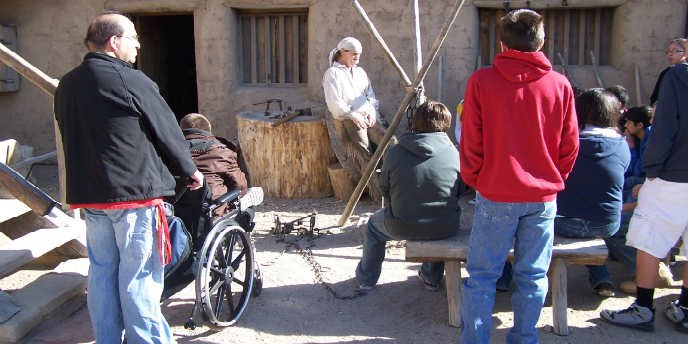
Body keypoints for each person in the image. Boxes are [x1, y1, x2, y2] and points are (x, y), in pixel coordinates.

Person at [54, 12, 203, 343]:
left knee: (103, 274)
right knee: (138, 277)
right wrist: (189, 170)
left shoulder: (67, 84)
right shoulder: (131, 80)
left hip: (91, 197)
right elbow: (167, 130)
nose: (138, 45)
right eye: (134, 38)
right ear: (114, 42)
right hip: (134, 198)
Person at [458, 9, 579, 343]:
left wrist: (477, 179)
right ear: (541, 41)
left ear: (501, 43)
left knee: (482, 276)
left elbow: (470, 141)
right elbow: (570, 145)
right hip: (542, 198)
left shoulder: (481, 81)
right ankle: (525, 339)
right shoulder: (560, 85)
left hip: (496, 192)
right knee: (533, 275)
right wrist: (553, 179)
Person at [601, 58, 688, 334]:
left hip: (675, 173)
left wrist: (652, 168)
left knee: (648, 235)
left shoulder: (679, 77)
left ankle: (643, 307)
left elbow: (664, 126)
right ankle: (685, 308)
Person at [355, 100, 462, 292]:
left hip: (402, 223)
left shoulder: (395, 152)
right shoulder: (454, 154)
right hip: (445, 225)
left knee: (373, 227)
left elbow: (384, 188)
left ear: (416, 122)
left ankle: (366, 280)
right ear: (446, 123)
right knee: (440, 218)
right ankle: (431, 278)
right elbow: (459, 191)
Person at [554, 88, 631, 297]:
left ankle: (505, 277)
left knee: (523, 220)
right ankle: (601, 279)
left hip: (564, 221)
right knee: (590, 219)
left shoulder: (568, 143)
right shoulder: (622, 146)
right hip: (607, 223)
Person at [322, 36, 389, 199]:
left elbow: (370, 96)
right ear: (342, 53)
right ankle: (379, 196)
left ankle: (393, 188)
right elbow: (335, 103)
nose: (357, 57)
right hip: (348, 121)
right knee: (365, 156)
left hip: (369, 117)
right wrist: (353, 115)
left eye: (359, 54)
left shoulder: (360, 72)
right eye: (354, 54)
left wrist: (372, 111)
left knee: (390, 144)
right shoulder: (333, 74)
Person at [179, 113, 248, 218]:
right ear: (208, 130)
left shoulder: (171, 151)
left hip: (177, 212)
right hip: (213, 212)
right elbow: (239, 186)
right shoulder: (222, 151)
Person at [650, 38, 687, 107]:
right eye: (668, 51)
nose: (670, 54)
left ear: (686, 53)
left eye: (674, 51)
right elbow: (656, 96)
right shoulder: (667, 72)